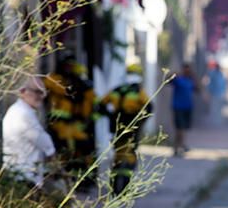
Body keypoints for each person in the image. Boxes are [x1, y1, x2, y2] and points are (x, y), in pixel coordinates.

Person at [45, 56, 96, 181]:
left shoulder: (78, 84)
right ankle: (60, 177)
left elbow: (90, 102)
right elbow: (60, 89)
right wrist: (74, 87)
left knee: (84, 146)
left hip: (73, 124)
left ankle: (84, 178)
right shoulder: (55, 79)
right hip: (57, 124)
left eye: (72, 67)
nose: (69, 69)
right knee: (64, 149)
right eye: (68, 66)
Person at [103, 63, 150, 194]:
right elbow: (149, 107)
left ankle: (114, 188)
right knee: (129, 157)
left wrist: (110, 116)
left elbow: (101, 104)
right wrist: (140, 122)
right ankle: (125, 188)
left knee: (118, 156)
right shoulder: (138, 91)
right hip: (131, 129)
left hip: (116, 129)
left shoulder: (117, 90)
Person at [2, 76, 56, 189]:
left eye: (43, 93)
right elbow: (46, 143)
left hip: (18, 175)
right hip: (24, 178)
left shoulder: (19, 110)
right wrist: (57, 166)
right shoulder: (23, 114)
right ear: (22, 91)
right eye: (37, 92)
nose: (41, 97)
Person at [171, 63, 196, 156]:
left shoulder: (190, 80)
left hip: (188, 107)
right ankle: (180, 147)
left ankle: (176, 147)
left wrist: (194, 76)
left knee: (183, 129)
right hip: (178, 107)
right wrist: (176, 74)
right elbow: (168, 80)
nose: (187, 71)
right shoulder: (178, 79)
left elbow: (198, 89)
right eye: (186, 69)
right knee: (180, 128)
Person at [205, 61, 227, 126]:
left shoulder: (221, 74)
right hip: (214, 94)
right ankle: (215, 122)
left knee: (218, 109)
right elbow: (210, 84)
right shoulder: (213, 73)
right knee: (214, 108)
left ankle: (218, 121)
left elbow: (223, 85)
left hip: (219, 94)